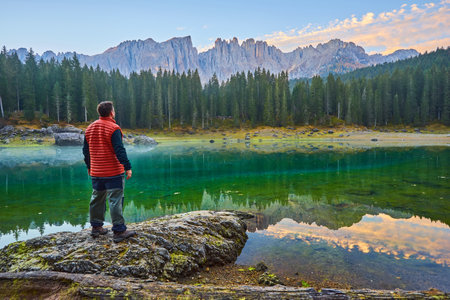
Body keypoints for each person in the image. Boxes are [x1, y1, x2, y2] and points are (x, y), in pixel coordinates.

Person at [83, 101, 136, 242]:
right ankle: (119, 231)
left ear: (100, 112)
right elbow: (119, 150)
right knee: (115, 200)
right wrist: (127, 167)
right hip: (113, 172)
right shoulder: (113, 128)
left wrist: (89, 167)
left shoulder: (90, 128)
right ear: (111, 112)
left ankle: (96, 228)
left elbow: (85, 151)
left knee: (96, 199)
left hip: (96, 171)